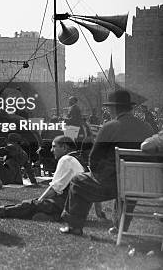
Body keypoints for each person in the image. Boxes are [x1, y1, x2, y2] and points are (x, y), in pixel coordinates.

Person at [60, 89, 154, 236]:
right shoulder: (147, 128)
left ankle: (74, 226)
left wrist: (97, 174)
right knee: (127, 180)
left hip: (111, 183)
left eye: (109, 107)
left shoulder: (110, 126)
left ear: (114, 108)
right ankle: (119, 228)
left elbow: (94, 157)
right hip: (138, 184)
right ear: (129, 107)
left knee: (78, 181)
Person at [0, 136, 84, 221]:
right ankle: (55, 216)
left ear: (64, 147)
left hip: (66, 204)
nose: (51, 150)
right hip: (78, 208)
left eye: (54, 146)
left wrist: (38, 202)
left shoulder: (66, 159)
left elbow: (54, 189)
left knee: (29, 205)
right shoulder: (79, 160)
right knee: (34, 208)